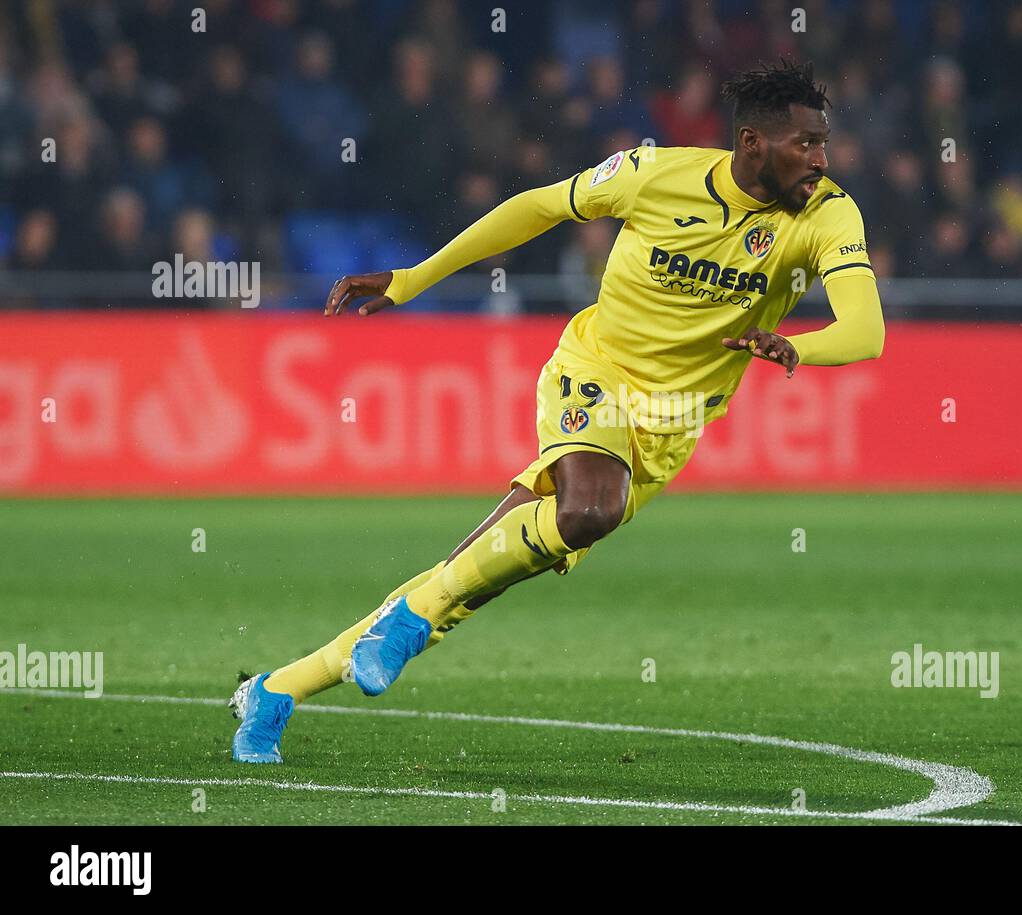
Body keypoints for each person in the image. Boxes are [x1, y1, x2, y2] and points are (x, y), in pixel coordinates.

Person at [231, 60, 885, 763]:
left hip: (669, 429)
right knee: (587, 510)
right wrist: (415, 276)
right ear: (752, 143)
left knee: (468, 575)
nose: (822, 159)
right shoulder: (655, 173)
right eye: (806, 144)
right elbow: (538, 206)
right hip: (594, 373)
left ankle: (275, 690)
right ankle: (406, 622)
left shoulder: (827, 213)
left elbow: (865, 329)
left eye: (824, 143)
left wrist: (797, 349)